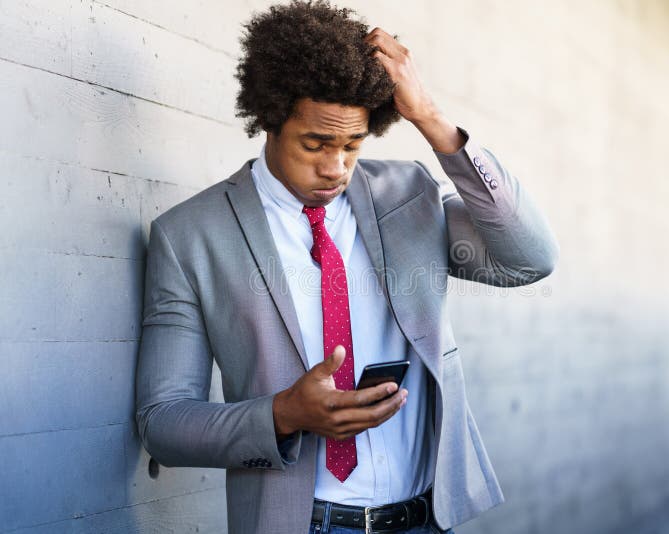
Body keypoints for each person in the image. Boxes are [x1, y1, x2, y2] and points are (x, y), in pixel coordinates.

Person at [135, 1, 559, 533]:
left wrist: (430, 117)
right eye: (315, 144)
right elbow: (163, 423)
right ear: (269, 120)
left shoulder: (409, 196)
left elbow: (529, 259)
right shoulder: (190, 236)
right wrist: (284, 414)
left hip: (426, 517)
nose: (335, 166)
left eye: (352, 145)